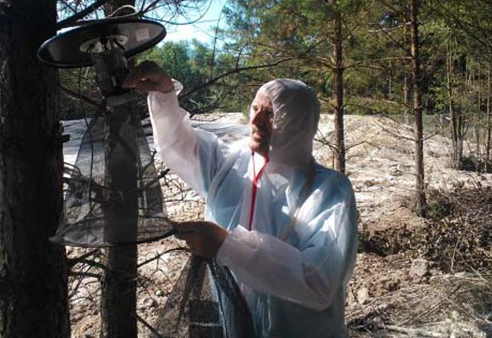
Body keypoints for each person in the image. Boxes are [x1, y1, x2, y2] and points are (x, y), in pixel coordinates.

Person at [124, 61, 358, 338]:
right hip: (232, 324)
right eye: (255, 109)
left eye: (271, 114)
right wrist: (164, 93)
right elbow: (178, 144)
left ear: (298, 123)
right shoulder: (231, 163)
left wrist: (228, 245)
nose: (257, 121)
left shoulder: (329, 190)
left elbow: (318, 282)